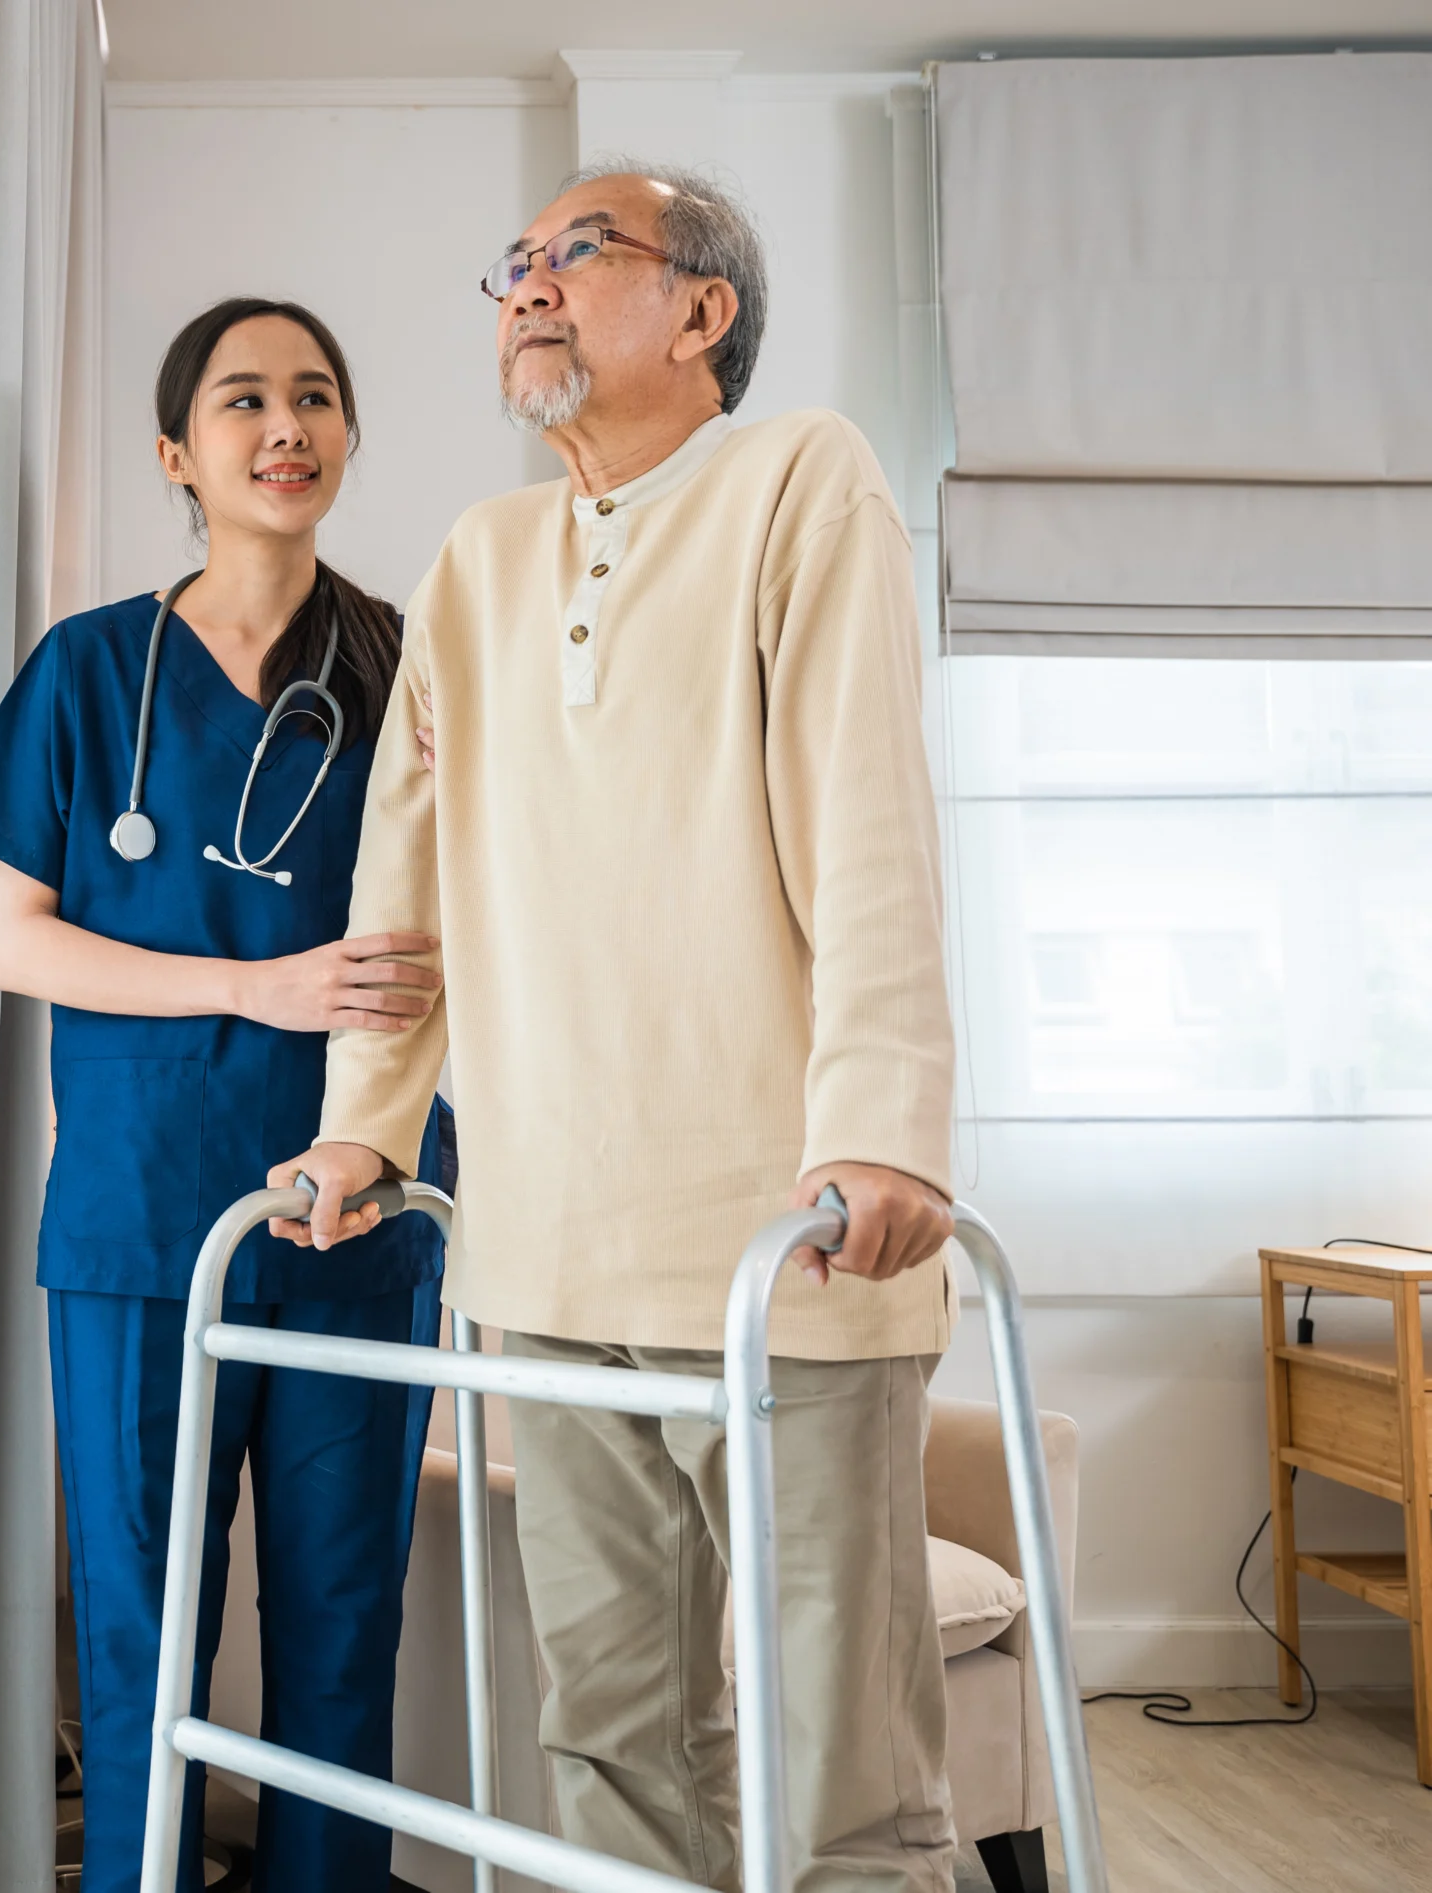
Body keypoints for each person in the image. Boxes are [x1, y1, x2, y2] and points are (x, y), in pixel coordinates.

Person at [272, 161, 962, 1893]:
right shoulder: (479, 558)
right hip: (547, 1247)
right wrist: (368, 1119)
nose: (525, 286)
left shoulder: (803, 480)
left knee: (842, 1775)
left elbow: (869, 819)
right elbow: (400, 877)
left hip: (785, 1248)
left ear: (701, 310)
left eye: (574, 253)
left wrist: (879, 1124)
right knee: (611, 1733)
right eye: (507, 263)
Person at [0, 298, 450, 1893]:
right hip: (141, 1218)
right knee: (142, 1640)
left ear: (349, 440)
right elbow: (9, 943)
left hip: (355, 1216)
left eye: (315, 397)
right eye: (244, 400)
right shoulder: (94, 669)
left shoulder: (412, 669)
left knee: (341, 1633)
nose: (284, 425)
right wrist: (251, 986)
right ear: (179, 451)